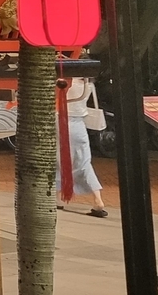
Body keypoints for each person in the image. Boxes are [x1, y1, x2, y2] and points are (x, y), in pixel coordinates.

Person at [60, 77, 108, 218]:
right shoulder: (89, 84)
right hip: (79, 124)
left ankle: (58, 197)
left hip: (60, 121)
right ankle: (97, 200)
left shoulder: (65, 82)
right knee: (83, 162)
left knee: (58, 160)